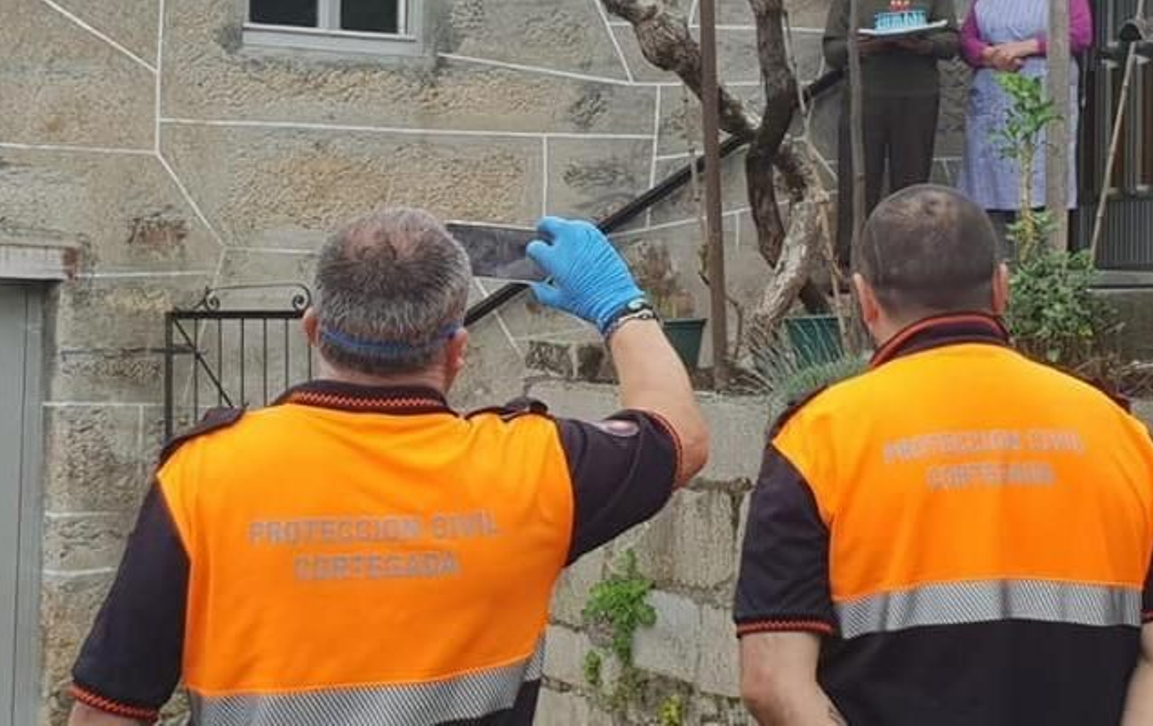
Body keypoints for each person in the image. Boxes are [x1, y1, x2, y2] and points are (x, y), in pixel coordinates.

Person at [65, 208, 709, 725]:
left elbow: (108, 710)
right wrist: (620, 305)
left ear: (312, 329)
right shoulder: (537, 466)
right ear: (457, 352)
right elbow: (678, 435)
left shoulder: (204, 475)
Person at [734, 185, 1153, 726]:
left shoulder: (817, 439)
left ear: (865, 299)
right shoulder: (1122, 435)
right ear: (1002, 288)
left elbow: (772, 682)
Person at [822, 0, 961, 265]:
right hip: (864, 99)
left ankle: (910, 264)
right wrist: (865, 46)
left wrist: (923, 44)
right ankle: (853, 265)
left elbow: (951, 43)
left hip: (917, 97)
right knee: (858, 185)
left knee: (912, 187)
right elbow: (832, 50)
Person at [961, 0, 1094, 222]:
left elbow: (1081, 34)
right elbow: (966, 40)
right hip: (995, 96)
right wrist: (990, 55)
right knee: (989, 186)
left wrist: (1029, 46)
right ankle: (998, 266)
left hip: (1043, 96)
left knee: (1041, 182)